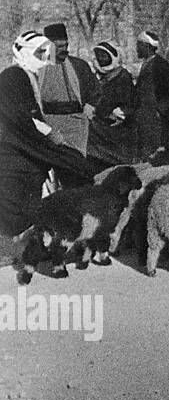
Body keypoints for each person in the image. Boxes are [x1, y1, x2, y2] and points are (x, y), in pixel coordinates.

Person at [0, 32, 96, 244]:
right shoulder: (13, 76)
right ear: (22, 52)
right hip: (15, 152)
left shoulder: (25, 75)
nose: (43, 58)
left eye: (45, 53)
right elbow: (21, 118)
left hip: (24, 150)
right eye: (38, 52)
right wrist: (50, 135)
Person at [38, 22, 97, 155]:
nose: (63, 49)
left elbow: (95, 90)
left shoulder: (79, 65)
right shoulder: (38, 67)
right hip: (48, 122)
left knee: (75, 161)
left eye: (65, 45)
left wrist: (90, 105)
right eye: (59, 47)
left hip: (75, 122)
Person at [85, 41, 138, 173]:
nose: (101, 60)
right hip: (102, 132)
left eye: (104, 56)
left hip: (116, 135)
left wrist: (115, 112)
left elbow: (128, 105)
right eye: (99, 57)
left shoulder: (122, 78)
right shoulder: (101, 78)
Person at [134, 29, 169, 164]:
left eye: (139, 45)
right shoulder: (149, 64)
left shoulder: (160, 67)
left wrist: (158, 113)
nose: (136, 48)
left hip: (160, 125)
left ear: (147, 46)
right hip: (149, 123)